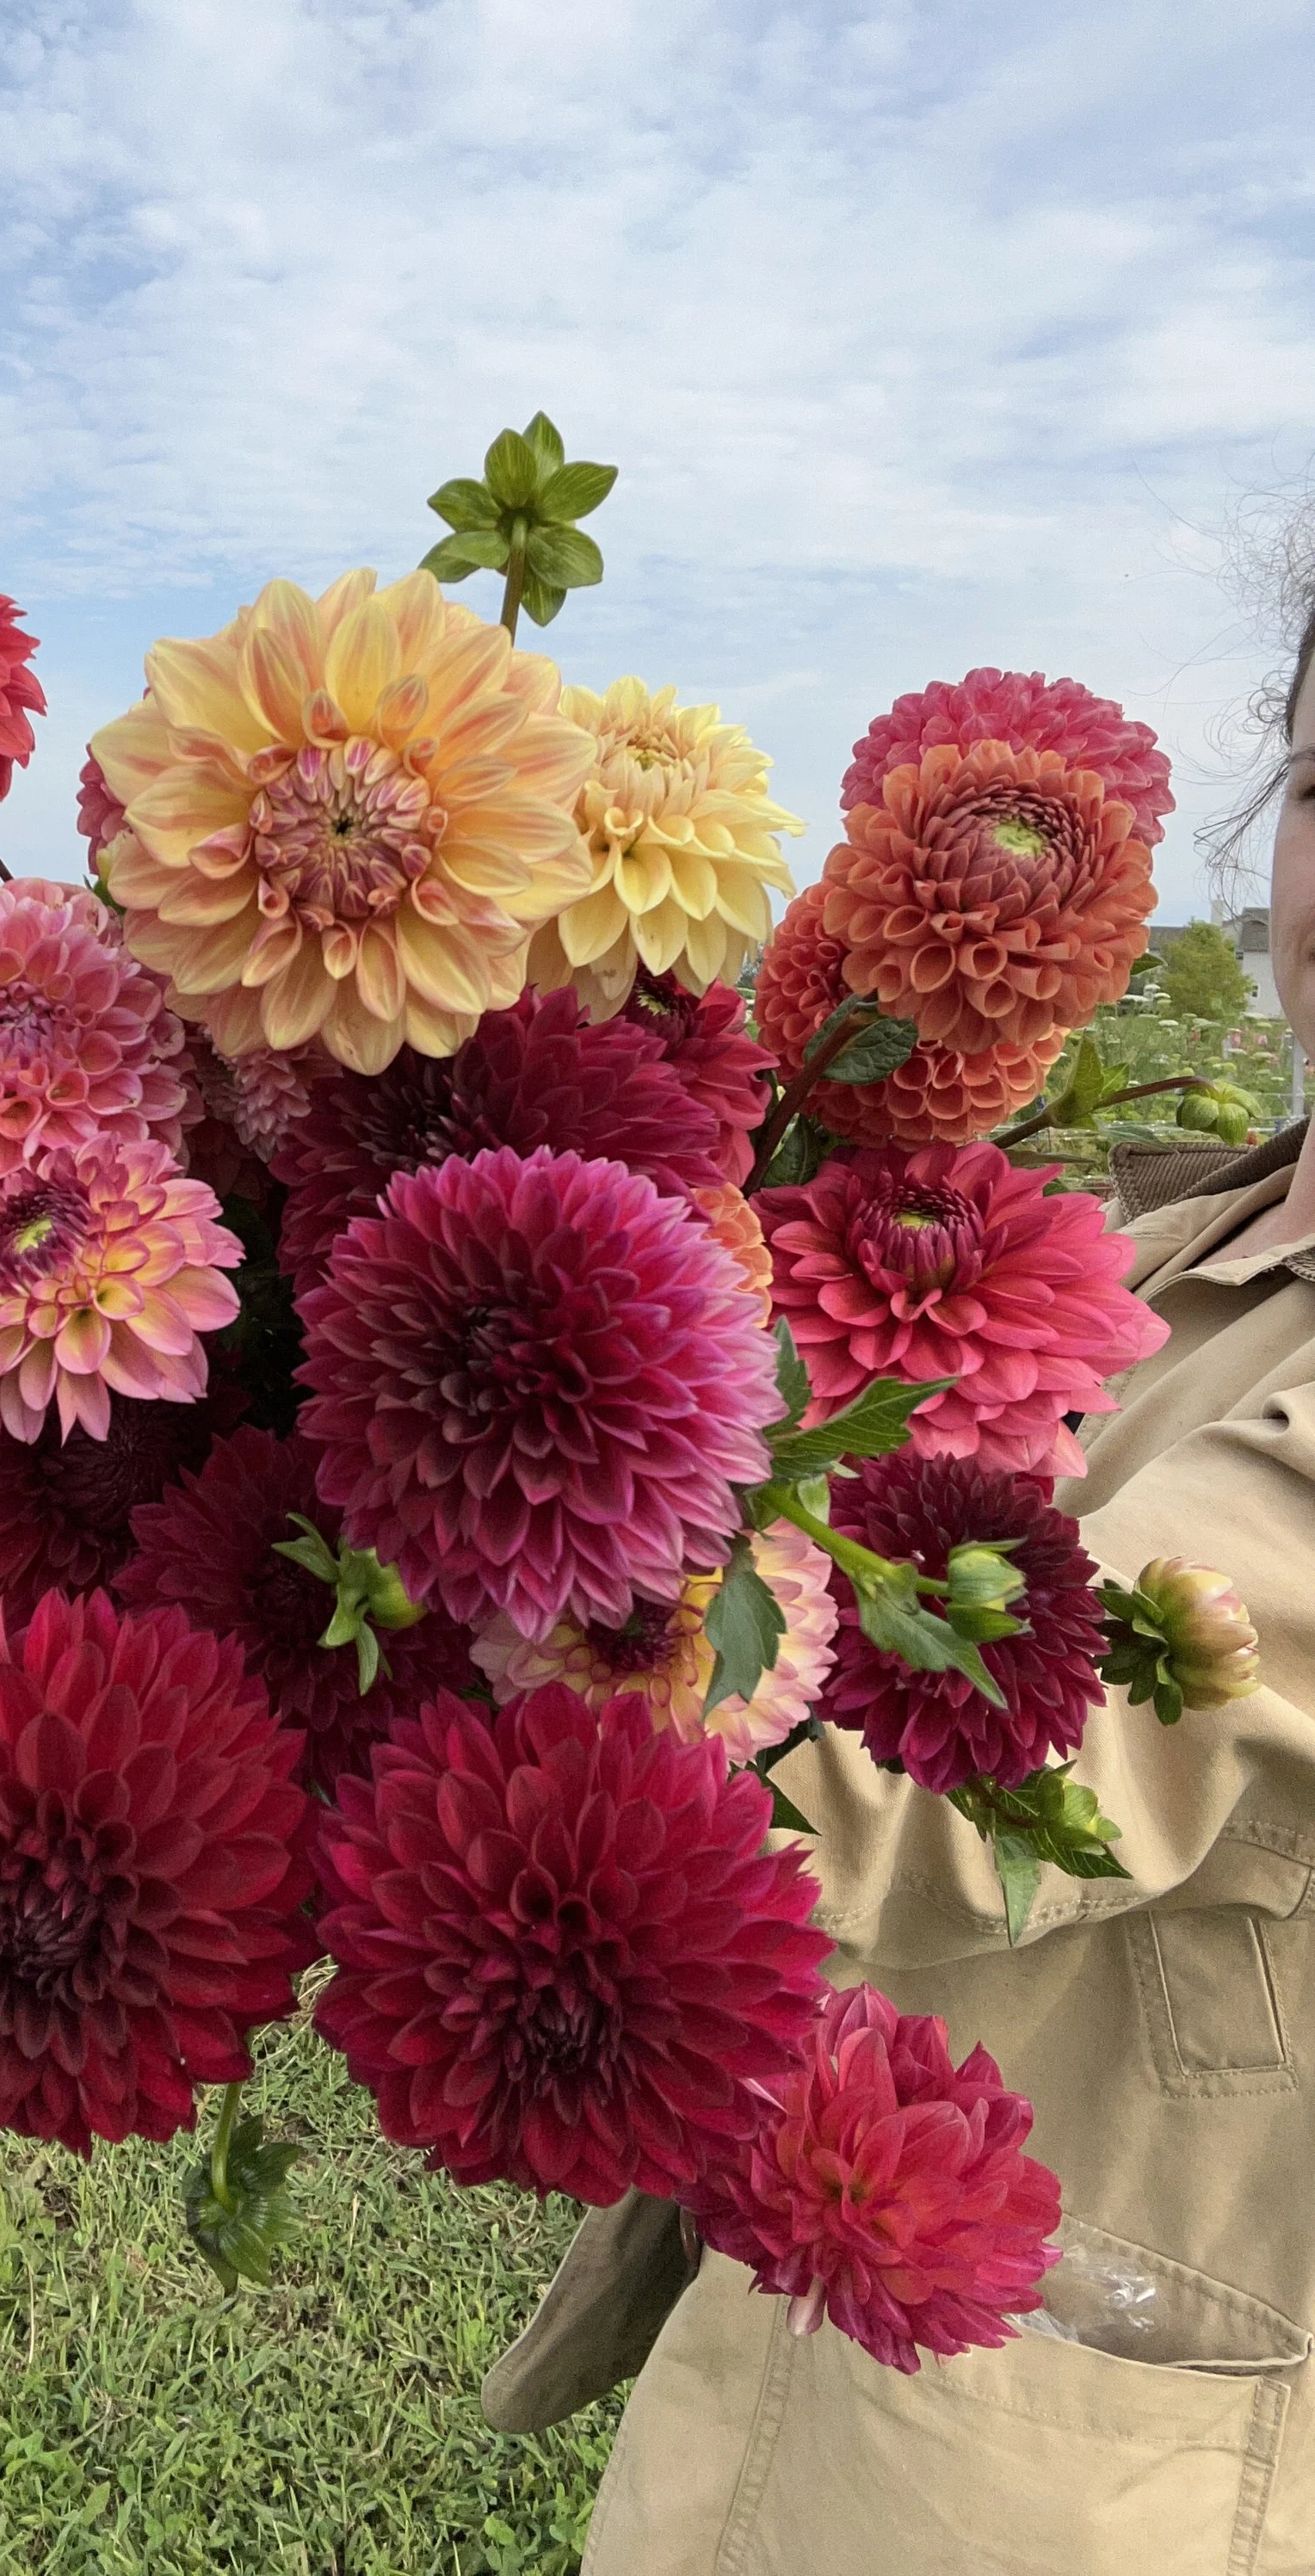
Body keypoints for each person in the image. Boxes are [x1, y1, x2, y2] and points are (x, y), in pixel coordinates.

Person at [485, 574, 1315, 2576]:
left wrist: (496, 1510)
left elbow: (935, 1770)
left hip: (1053, 2486)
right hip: (796, 2362)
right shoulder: (1161, 1246)